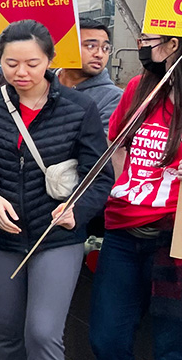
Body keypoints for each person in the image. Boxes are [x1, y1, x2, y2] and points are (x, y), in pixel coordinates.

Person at [0, 20, 113, 360]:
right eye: (11, 64)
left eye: (32, 63)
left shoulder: (79, 108)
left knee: (42, 333)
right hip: (0, 236)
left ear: (51, 60)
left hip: (56, 236)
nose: (21, 72)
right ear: (0, 59)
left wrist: (77, 211)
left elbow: (99, 176)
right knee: (8, 336)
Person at [89, 32, 182, 359]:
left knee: (171, 346)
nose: (141, 40)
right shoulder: (138, 89)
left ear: (173, 45)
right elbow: (117, 144)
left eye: (150, 36)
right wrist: (129, 188)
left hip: (173, 243)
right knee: (107, 339)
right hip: (122, 234)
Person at [56, 18, 122, 130]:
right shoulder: (40, 84)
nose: (100, 54)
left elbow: (102, 143)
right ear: (67, 47)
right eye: (91, 46)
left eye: (105, 48)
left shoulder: (114, 98)